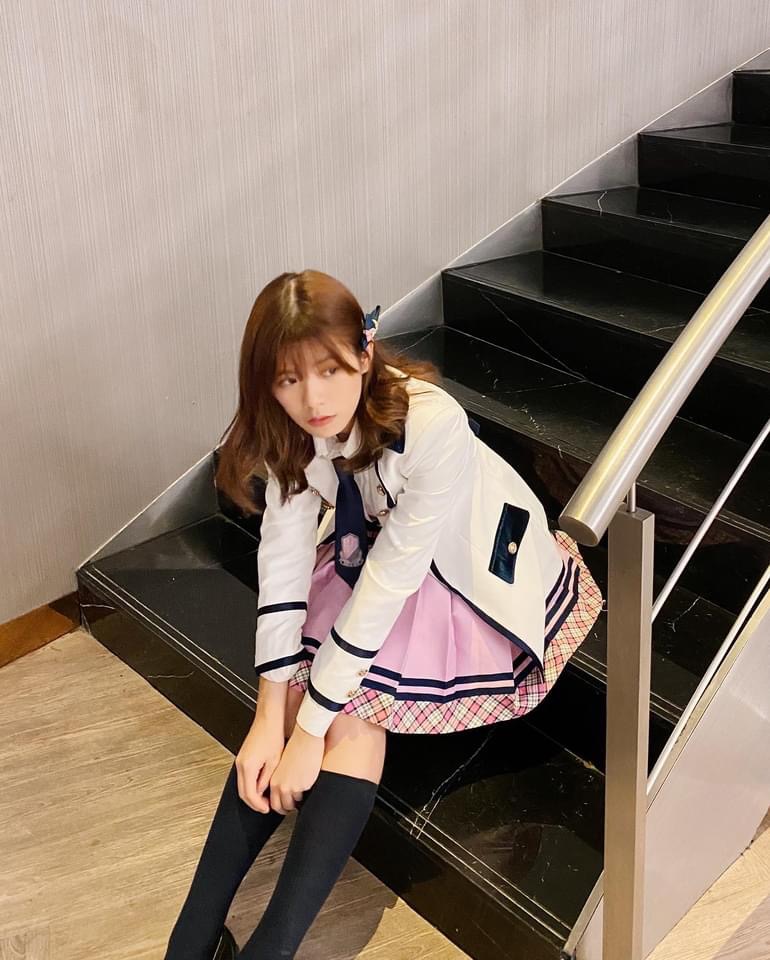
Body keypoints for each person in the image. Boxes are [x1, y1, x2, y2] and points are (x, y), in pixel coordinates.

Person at [164, 269, 603, 959]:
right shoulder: (292, 426)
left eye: (330, 370)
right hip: (372, 544)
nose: (312, 399)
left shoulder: (432, 424)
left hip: (458, 566)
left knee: (349, 709)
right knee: (301, 691)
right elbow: (282, 557)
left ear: (364, 354)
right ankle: (189, 941)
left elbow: (390, 584)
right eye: (287, 380)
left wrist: (307, 735)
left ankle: (268, 950)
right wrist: (267, 719)